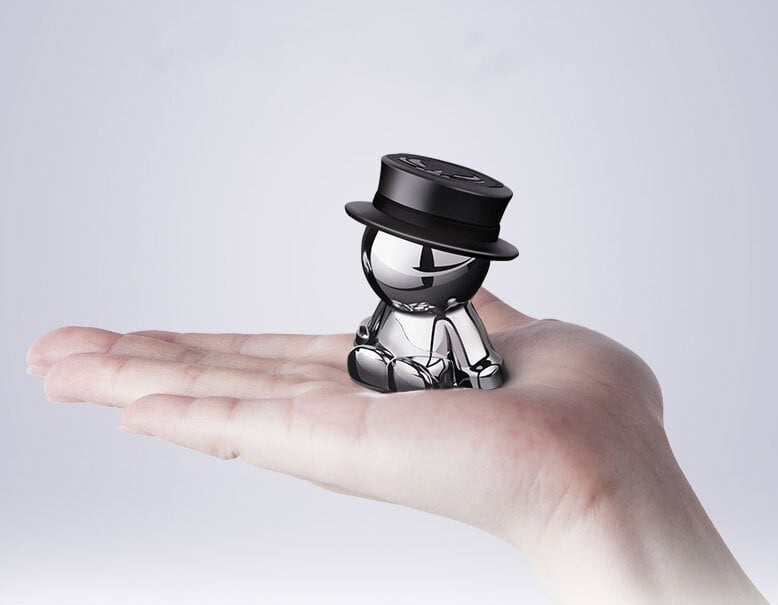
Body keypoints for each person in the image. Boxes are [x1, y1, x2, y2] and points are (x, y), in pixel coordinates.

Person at [27, 289, 768, 605]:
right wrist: (599, 502)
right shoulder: (401, 309)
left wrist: (597, 487)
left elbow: (475, 356)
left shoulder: (455, 318)